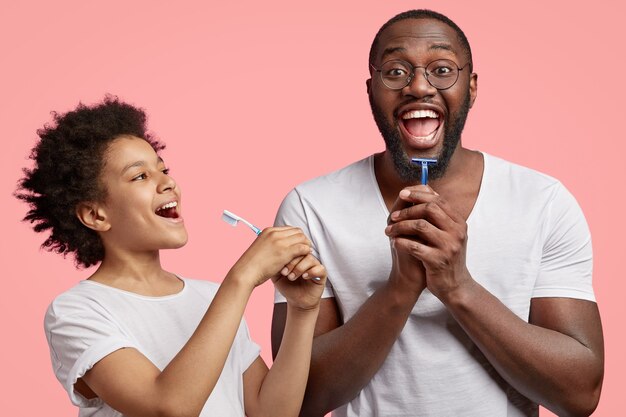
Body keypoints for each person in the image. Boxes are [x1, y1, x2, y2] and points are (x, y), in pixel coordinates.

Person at [271, 9, 604, 417]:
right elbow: (294, 401)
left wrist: (457, 286)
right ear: (371, 89)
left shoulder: (544, 201)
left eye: (442, 69)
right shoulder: (310, 208)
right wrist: (400, 289)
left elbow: (579, 394)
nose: (417, 86)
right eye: (395, 72)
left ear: (472, 87)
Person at [16, 96, 327, 417]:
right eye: (140, 176)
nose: (169, 183)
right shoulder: (77, 312)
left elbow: (271, 413)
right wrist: (243, 277)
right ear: (95, 215)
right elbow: (167, 408)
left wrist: (302, 312)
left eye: (163, 170)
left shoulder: (210, 298)